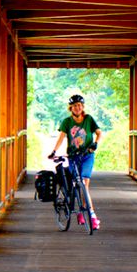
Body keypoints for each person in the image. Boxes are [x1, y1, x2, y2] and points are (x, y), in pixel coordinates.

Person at [49, 93, 102, 230]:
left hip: (87, 155)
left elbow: (99, 133)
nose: (77, 108)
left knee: (84, 183)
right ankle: (79, 211)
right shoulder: (67, 122)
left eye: (79, 105)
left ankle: (91, 215)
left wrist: (95, 143)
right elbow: (61, 137)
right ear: (70, 108)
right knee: (75, 183)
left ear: (82, 107)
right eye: (74, 106)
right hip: (73, 156)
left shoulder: (89, 119)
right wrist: (54, 151)